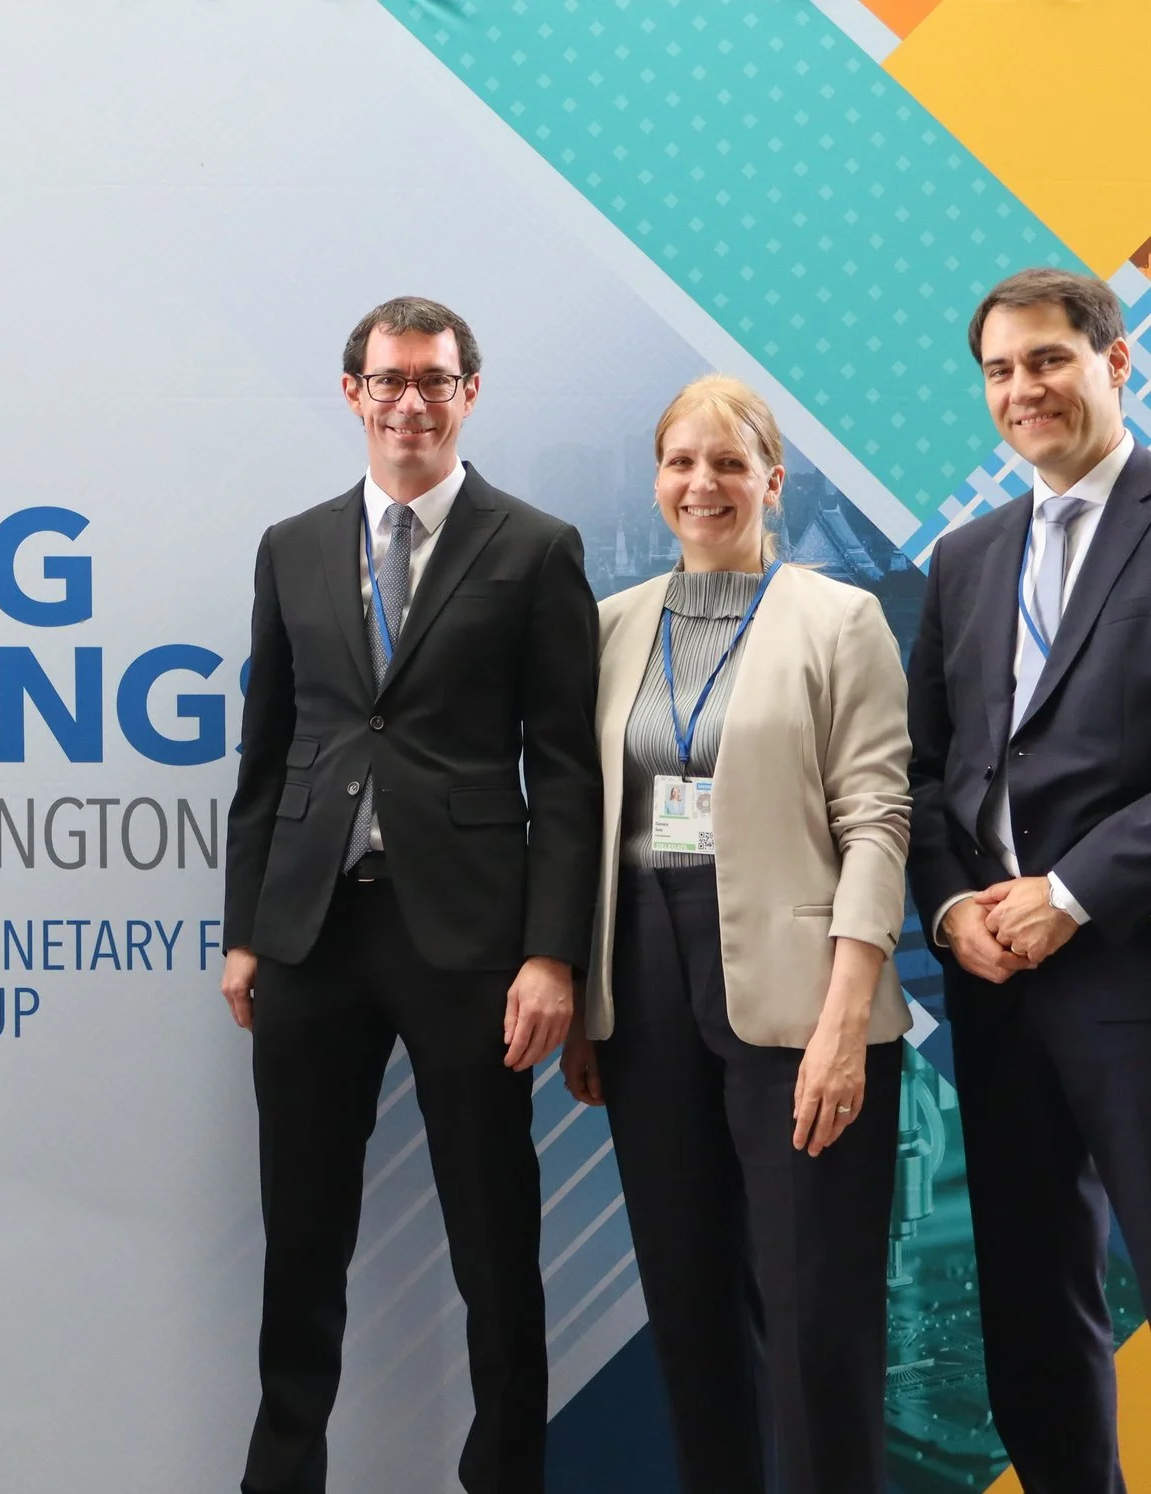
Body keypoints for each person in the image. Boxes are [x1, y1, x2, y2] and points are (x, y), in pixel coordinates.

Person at [222, 296, 601, 1493]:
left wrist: (552, 955)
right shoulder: (291, 545)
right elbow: (268, 750)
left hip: (471, 943)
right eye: (388, 380)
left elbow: (568, 768)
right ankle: (281, 1476)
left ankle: (505, 1476)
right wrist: (245, 933)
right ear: (354, 394)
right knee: (303, 1236)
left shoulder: (534, 546)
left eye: (434, 380)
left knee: (495, 1242)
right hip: (311, 933)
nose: (409, 402)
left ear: (468, 393)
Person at [558, 375, 910, 1494]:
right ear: (657, 481)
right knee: (688, 1304)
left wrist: (846, 1019)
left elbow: (876, 815)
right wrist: (582, 989)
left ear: (772, 479)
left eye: (726, 463)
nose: (700, 484)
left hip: (802, 994)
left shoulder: (837, 618)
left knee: (815, 1319)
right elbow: (587, 823)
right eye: (679, 463)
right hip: (644, 984)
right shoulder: (612, 629)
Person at [907, 266, 1151, 1492]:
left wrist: (1069, 892)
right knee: (1032, 1303)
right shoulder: (964, 558)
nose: (1021, 390)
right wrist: (955, 909)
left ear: (1115, 361)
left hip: (1129, 965)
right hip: (996, 990)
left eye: (1046, 359)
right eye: (999, 370)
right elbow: (927, 767)